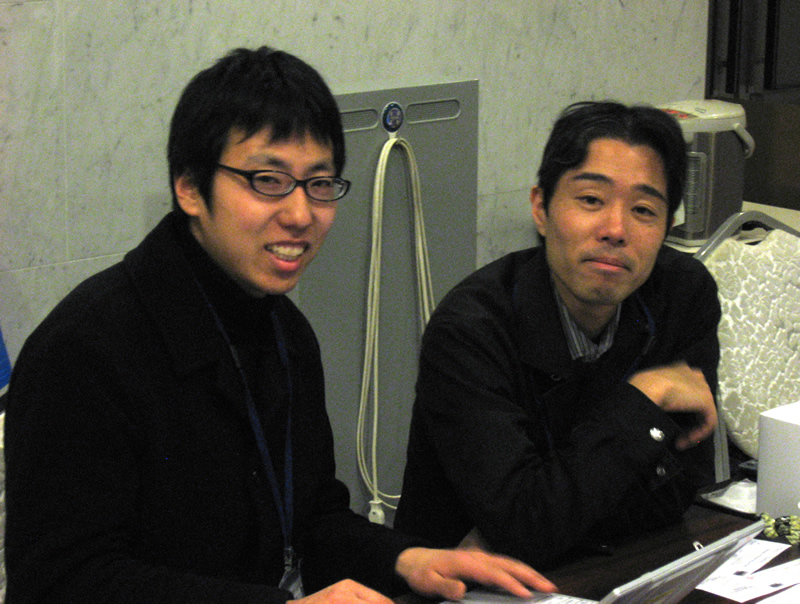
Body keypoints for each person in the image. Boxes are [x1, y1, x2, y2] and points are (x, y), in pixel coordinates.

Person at [3, 47, 557, 603]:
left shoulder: (284, 330)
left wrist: (408, 558)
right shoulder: (85, 349)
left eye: (320, 183)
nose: (300, 214)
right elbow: (61, 581)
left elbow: (312, 521)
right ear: (189, 187)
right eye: (267, 180)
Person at [395, 101, 721, 569]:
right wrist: (645, 398)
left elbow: (678, 489)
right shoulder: (470, 330)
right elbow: (524, 524)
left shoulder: (683, 296)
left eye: (643, 209)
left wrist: (545, 519)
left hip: (615, 569)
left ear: (667, 227)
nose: (615, 230)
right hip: (473, 589)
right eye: (590, 200)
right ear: (541, 209)